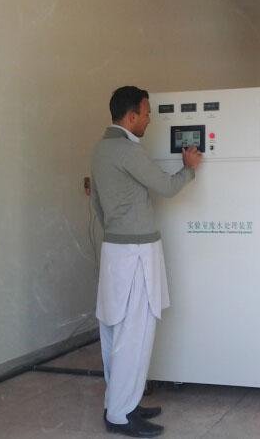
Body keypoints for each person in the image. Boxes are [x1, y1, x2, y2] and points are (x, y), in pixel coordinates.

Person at [90, 86, 202, 437]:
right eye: (147, 113)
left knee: (116, 331)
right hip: (135, 253)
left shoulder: (101, 149)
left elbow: (98, 205)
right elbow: (166, 186)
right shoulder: (127, 150)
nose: (150, 119)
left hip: (115, 250)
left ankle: (122, 402)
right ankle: (120, 416)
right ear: (131, 116)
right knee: (134, 335)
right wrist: (189, 168)